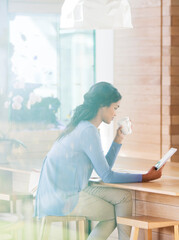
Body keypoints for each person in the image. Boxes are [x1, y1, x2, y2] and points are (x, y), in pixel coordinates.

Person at [35, 82, 164, 240]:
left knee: (123, 197)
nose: (115, 113)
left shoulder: (81, 126)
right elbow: (107, 176)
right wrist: (145, 177)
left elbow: (104, 170)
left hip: (59, 193)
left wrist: (118, 138)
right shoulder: (88, 131)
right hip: (64, 198)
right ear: (103, 105)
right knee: (113, 213)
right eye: (115, 108)